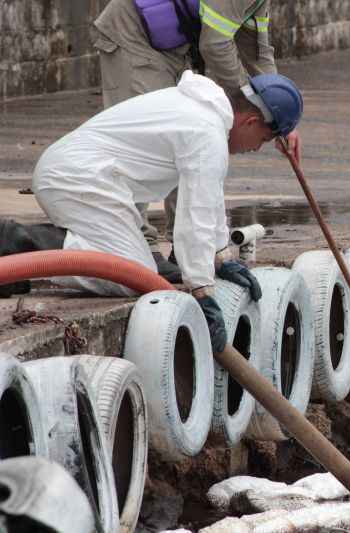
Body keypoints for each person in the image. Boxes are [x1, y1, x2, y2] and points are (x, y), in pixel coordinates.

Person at [1, 70, 303, 352]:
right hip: (78, 179)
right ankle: (18, 242)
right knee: (132, 275)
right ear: (250, 121)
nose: (257, 148)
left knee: (136, 267)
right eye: (263, 139)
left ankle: (21, 265)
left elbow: (209, 197)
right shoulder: (206, 132)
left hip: (85, 177)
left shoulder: (204, 116)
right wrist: (203, 291)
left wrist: (220, 256)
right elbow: (194, 217)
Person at [93, 0, 301, 281]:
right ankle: (138, 243)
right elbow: (215, 45)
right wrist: (254, 105)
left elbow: (257, 52)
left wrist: (281, 117)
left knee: (187, 138)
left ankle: (185, 248)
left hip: (173, 44)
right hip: (133, 33)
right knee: (154, 135)